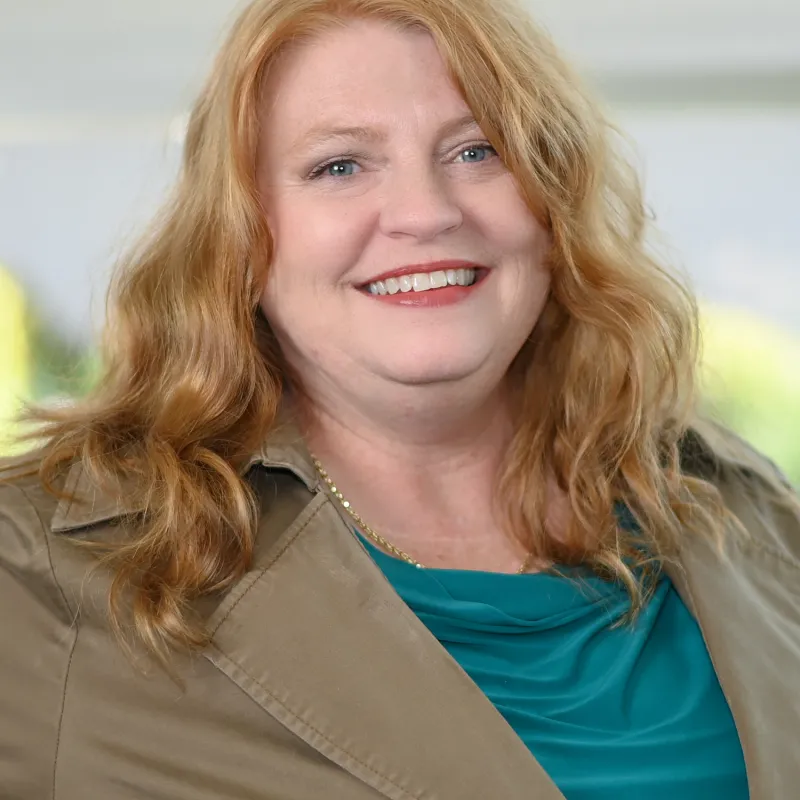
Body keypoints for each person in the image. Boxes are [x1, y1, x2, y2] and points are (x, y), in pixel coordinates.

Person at [1, 0, 798, 797]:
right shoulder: (37, 573)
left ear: (552, 203)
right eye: (339, 166)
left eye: (478, 150)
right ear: (239, 233)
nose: (427, 213)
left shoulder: (743, 512)